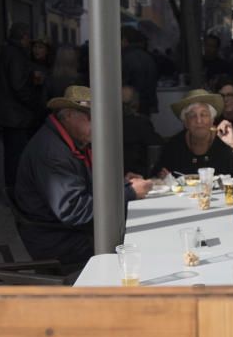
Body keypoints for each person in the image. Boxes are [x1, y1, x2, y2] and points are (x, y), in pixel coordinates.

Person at [13, 86, 154, 269]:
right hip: (58, 239)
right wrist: (129, 194)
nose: (98, 124)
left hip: (66, 230)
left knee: (139, 231)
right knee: (136, 247)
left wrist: (123, 184)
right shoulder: (53, 152)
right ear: (69, 116)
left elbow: (86, 183)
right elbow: (75, 211)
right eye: (91, 117)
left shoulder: (70, 139)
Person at [155, 89, 233, 178]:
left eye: (204, 114)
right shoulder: (174, 145)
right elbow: (156, 177)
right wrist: (163, 177)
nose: (199, 121)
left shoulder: (226, 140)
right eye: (192, 116)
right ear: (185, 122)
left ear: (212, 120)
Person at [0, 23, 43, 191]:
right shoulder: (16, 55)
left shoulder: (5, 53)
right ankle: (14, 190)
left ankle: (12, 187)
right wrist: (34, 102)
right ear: (24, 37)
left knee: (12, 153)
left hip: (9, 113)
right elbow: (18, 85)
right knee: (16, 154)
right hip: (16, 114)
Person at [121, 86, 162, 176]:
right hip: (137, 173)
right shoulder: (141, 122)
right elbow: (155, 143)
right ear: (136, 104)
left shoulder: (105, 124)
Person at [121, 27, 159, 115]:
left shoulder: (125, 58)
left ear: (124, 40)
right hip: (146, 105)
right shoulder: (147, 57)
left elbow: (124, 82)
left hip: (130, 106)